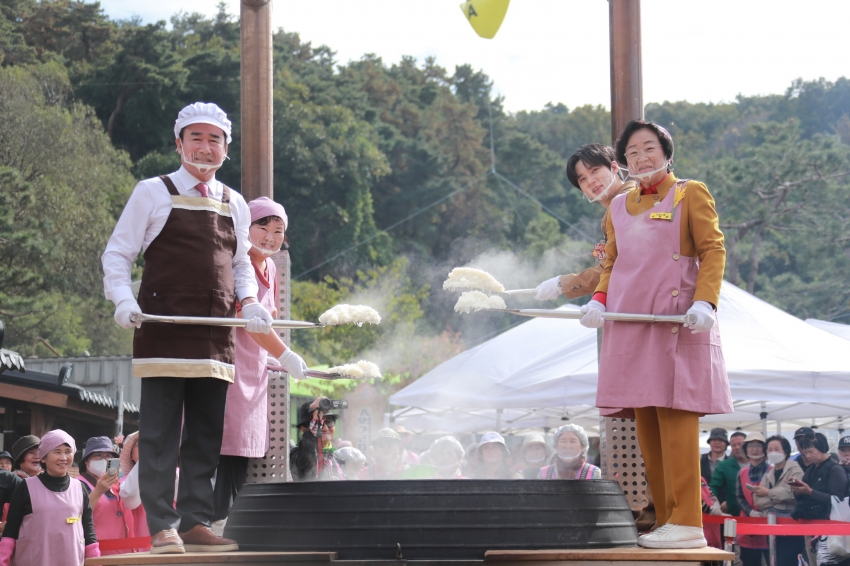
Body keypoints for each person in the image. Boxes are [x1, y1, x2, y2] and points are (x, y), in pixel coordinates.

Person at [102, 102, 275, 553]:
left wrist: (251, 302)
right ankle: (162, 524)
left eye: (214, 139)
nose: (205, 147)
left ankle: (196, 520)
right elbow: (117, 254)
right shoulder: (151, 191)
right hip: (163, 330)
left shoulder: (234, 202)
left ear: (226, 149)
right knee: (160, 435)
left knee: (205, 434)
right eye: (195, 137)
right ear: (178, 144)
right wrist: (123, 299)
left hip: (216, 335)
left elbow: (240, 264)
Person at [581, 120, 731, 549]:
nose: (641, 157)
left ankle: (688, 520)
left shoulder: (688, 192)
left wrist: (706, 302)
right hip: (631, 325)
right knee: (647, 427)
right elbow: (612, 263)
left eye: (649, 148)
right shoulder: (618, 206)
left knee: (676, 421)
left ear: (666, 152)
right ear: (624, 163)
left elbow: (713, 248)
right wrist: (599, 300)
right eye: (632, 152)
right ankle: (667, 519)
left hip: (675, 321)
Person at [213, 197, 308, 527]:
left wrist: (277, 358)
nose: (270, 236)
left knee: (242, 452)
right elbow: (252, 324)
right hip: (229, 368)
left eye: (278, 230)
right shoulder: (237, 266)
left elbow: (269, 323)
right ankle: (217, 522)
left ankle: (231, 524)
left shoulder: (272, 268)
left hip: (255, 372)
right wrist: (286, 355)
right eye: (262, 227)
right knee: (226, 450)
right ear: (245, 228)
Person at [535, 144, 636, 301]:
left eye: (595, 170)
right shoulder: (616, 208)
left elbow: (613, 269)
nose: (591, 181)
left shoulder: (628, 202)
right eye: (582, 179)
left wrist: (561, 284)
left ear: (614, 167)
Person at [0, 429, 100, 564]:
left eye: (68, 451)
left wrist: (95, 561)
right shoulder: (26, 487)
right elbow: (10, 531)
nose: (63, 457)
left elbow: (89, 533)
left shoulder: (79, 488)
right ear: (43, 457)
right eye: (57, 452)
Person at [790, 433, 849, 566]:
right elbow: (803, 497)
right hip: (811, 525)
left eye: (811, 451)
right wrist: (797, 490)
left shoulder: (835, 469)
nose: (808, 456)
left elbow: (836, 500)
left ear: (822, 448)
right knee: (813, 561)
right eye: (805, 452)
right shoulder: (810, 470)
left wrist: (810, 492)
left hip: (829, 527)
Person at [748, 435, 805, 566]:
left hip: (791, 524)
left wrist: (768, 493)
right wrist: (777, 497)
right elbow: (758, 500)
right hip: (772, 525)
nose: (773, 452)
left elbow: (792, 493)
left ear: (785, 451)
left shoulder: (795, 469)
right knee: (775, 560)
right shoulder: (770, 472)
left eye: (777, 449)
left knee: (788, 560)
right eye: (769, 449)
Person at [78, 436, 131, 555]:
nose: (104, 459)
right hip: (97, 554)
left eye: (108, 456)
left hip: (122, 553)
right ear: (86, 460)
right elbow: (78, 513)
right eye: (98, 455)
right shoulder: (79, 484)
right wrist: (98, 491)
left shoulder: (116, 485)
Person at [735, 433, 770, 566]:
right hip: (748, 525)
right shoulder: (742, 473)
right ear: (746, 449)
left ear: (764, 449)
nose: (754, 449)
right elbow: (739, 497)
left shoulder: (772, 471)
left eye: (758, 445)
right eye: (750, 446)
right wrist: (750, 512)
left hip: (768, 524)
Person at [290, 398, 345, 481]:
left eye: (329, 422)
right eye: (319, 423)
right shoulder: (296, 456)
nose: (325, 428)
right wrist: (315, 418)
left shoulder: (338, 459)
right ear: (303, 429)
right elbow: (306, 464)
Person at [118, 431, 150, 548]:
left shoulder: (176, 472)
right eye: (140, 444)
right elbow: (130, 499)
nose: (147, 447)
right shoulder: (124, 482)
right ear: (131, 456)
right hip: (144, 545)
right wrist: (146, 460)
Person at [710, 431, 748, 515]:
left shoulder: (757, 464)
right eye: (733, 445)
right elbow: (713, 488)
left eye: (740, 444)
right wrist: (713, 503)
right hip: (733, 516)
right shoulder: (724, 466)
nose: (737, 447)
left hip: (757, 515)